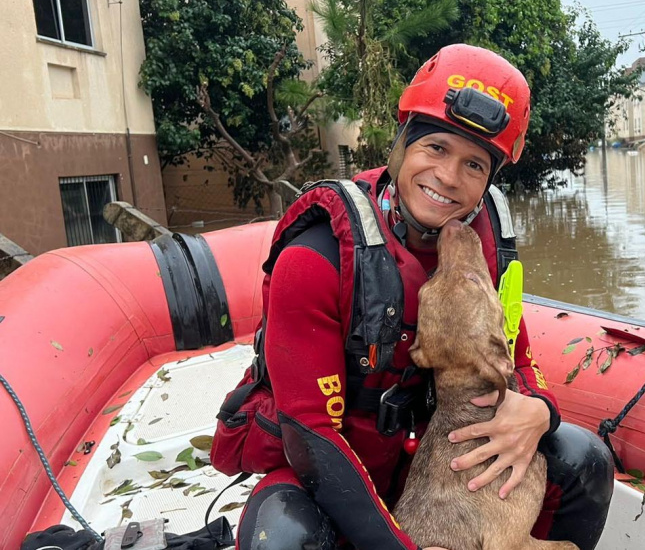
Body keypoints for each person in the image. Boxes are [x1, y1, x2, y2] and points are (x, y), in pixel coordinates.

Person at [231, 44, 613, 550]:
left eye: (475, 165)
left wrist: (542, 409)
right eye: (435, 148)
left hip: (432, 466)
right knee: (281, 536)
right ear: (401, 145)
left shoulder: (483, 249)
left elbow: (515, 357)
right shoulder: (314, 259)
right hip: (330, 470)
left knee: (585, 461)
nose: (449, 178)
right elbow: (312, 437)